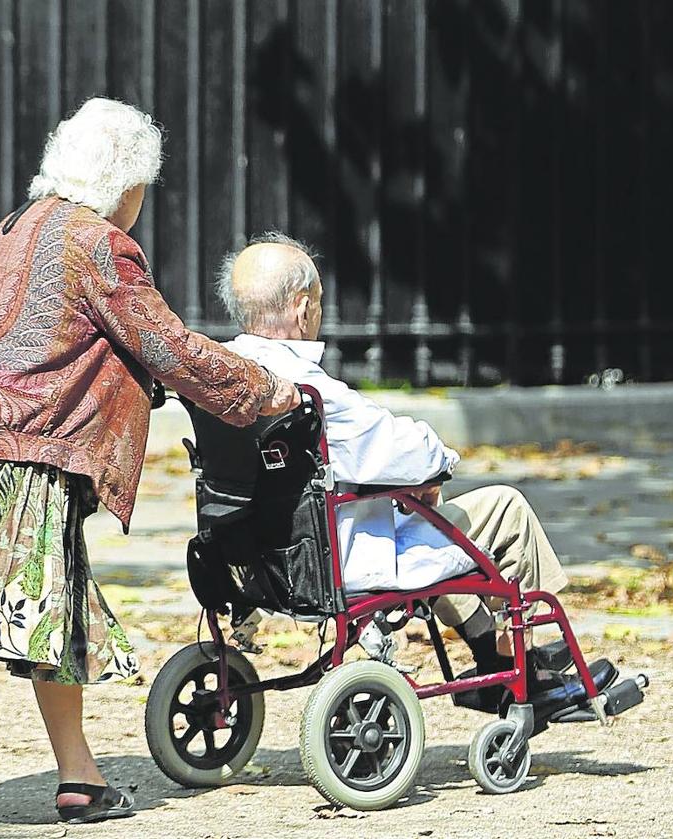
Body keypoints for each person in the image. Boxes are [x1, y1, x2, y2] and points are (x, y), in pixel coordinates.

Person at [0, 98, 302, 838]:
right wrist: (263, 387)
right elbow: (168, 347)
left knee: (58, 606)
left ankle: (79, 776)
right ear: (126, 182)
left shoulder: (20, 224)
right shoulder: (99, 242)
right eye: (144, 183)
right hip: (11, 445)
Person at [216, 232, 615, 710]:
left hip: (264, 556)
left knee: (432, 527)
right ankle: (524, 664)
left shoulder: (225, 373)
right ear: (302, 309)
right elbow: (413, 451)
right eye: (319, 303)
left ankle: (490, 649)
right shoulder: (313, 392)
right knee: (505, 508)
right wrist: (437, 468)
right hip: (339, 556)